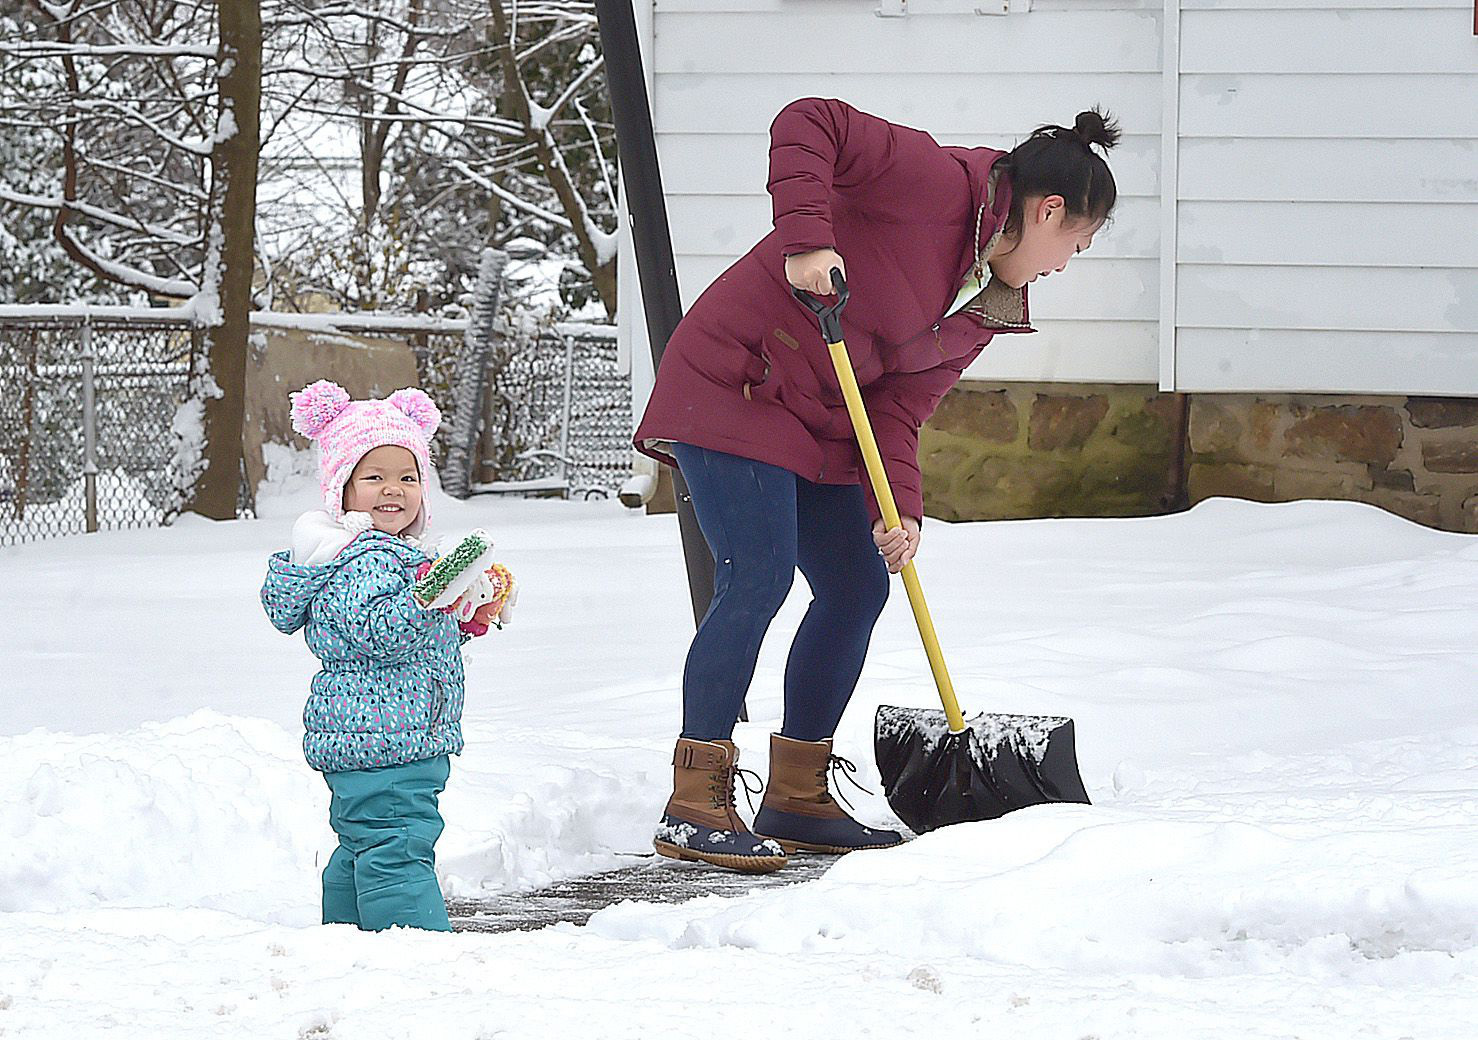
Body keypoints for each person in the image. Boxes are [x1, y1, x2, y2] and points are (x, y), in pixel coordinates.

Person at [634, 96, 1120, 872]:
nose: (1066, 263)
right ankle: (695, 798)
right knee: (756, 575)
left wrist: (904, 511)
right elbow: (806, 121)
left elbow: (899, 408)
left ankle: (797, 793)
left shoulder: (987, 306)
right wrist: (805, 239)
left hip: (826, 420)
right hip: (739, 382)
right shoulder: (934, 181)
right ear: (1048, 209)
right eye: (1077, 242)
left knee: (859, 585)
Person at [260, 380, 515, 930]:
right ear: (341, 489)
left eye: (407, 477)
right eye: (373, 477)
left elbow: (400, 636)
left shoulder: (387, 553)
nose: (392, 490)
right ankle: (414, 954)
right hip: (388, 740)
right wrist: (433, 594)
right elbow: (379, 629)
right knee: (398, 848)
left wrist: (463, 613)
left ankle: (350, 941)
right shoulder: (367, 556)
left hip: (376, 733)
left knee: (364, 846)